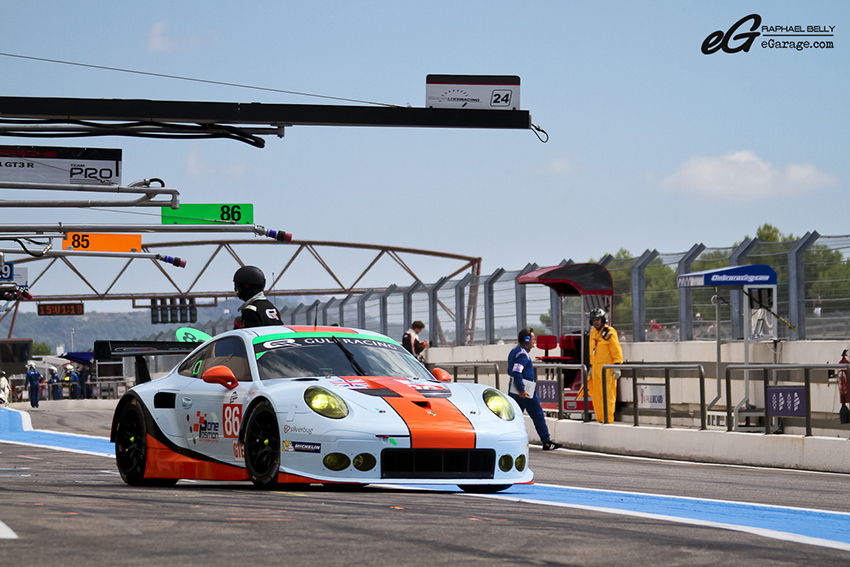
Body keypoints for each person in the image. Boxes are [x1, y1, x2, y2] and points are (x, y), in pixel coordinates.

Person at [507, 328, 561, 451]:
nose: (534, 341)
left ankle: (509, 440)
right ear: (526, 340)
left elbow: (510, 371)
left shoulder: (514, 351)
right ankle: (546, 441)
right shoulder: (522, 355)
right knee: (538, 415)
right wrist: (521, 390)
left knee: (514, 416)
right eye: (532, 339)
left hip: (513, 389)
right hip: (525, 391)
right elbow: (516, 371)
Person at [588, 308, 623, 423]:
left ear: (603, 320)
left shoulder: (610, 332)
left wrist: (617, 366)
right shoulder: (593, 333)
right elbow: (591, 351)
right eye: (593, 320)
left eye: (598, 319)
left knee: (608, 395)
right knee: (597, 396)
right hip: (596, 369)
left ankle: (608, 419)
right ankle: (600, 419)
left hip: (608, 369)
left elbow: (616, 350)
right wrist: (591, 366)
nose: (596, 322)